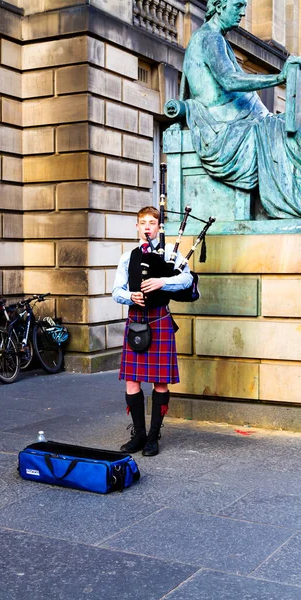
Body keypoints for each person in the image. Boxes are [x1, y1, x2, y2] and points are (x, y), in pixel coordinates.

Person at [181, 0, 301, 218]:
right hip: (221, 129)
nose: (243, 12)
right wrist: (279, 78)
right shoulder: (210, 39)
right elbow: (229, 81)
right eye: (237, 6)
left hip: (235, 121)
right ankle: (290, 204)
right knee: (285, 135)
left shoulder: (216, 40)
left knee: (287, 127)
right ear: (219, 6)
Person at [112, 206, 192, 457]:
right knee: (132, 380)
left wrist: (163, 282)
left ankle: (153, 437)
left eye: (152, 222)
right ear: (137, 226)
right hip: (136, 320)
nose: (147, 226)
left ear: (158, 227)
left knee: (160, 381)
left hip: (159, 320)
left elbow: (188, 279)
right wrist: (130, 296)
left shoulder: (170, 253)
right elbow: (116, 291)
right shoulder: (128, 257)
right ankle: (139, 434)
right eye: (142, 222)